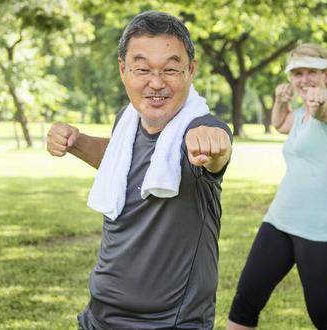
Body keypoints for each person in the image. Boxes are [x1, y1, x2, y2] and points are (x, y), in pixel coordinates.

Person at [47, 11, 232, 330]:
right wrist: (76, 142)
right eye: (143, 69)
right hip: (100, 313)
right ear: (123, 70)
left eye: (171, 69)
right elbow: (120, 160)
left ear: (191, 70)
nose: (156, 83)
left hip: (169, 322)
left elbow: (216, 151)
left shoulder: (199, 128)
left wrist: (214, 142)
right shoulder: (127, 119)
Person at [227, 43, 327, 330]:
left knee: (326, 318)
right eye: (297, 73)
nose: (305, 79)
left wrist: (319, 103)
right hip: (279, 221)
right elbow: (280, 123)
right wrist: (280, 100)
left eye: (313, 71)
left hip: (319, 228)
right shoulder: (299, 115)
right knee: (245, 302)